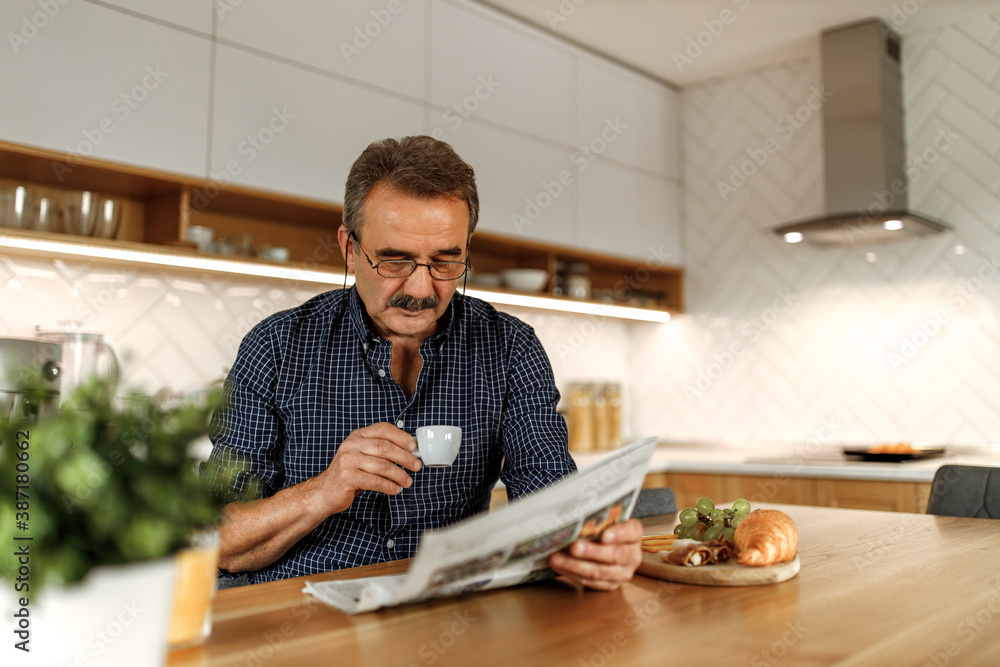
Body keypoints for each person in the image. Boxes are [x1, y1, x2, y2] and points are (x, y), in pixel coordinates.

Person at [208, 135, 642, 590]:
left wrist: (592, 546)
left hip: (442, 618)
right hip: (296, 618)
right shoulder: (277, 346)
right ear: (350, 248)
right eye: (394, 261)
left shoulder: (510, 348)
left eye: (445, 261)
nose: (420, 290)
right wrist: (321, 491)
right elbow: (213, 539)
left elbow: (552, 504)